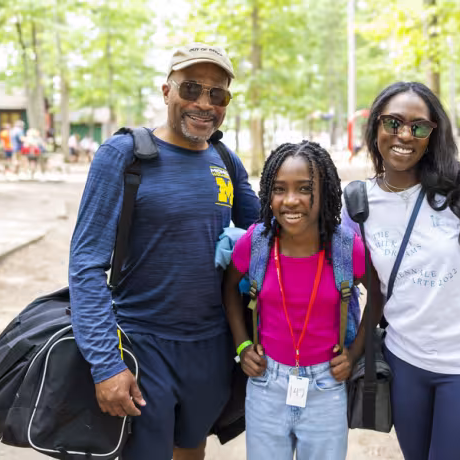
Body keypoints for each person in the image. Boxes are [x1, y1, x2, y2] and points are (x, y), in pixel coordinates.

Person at [68, 43, 260, 460]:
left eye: (217, 94)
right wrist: (106, 363)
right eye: (191, 88)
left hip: (211, 347)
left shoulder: (226, 160)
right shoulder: (123, 156)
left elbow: (270, 233)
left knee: (191, 448)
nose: (204, 103)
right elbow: (85, 265)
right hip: (141, 344)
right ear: (166, 91)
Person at [341, 82, 460, 460]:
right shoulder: (358, 203)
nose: (405, 135)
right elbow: (371, 292)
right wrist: (350, 352)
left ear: (432, 135)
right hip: (405, 364)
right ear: (375, 126)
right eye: (393, 122)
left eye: (419, 127)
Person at [221, 141, 367, 460]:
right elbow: (229, 288)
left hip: (327, 385)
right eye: (279, 189)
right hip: (266, 384)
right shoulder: (257, 242)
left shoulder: (345, 248)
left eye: (304, 189)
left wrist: (355, 352)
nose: (290, 200)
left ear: (325, 191)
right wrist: (243, 345)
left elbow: (379, 295)